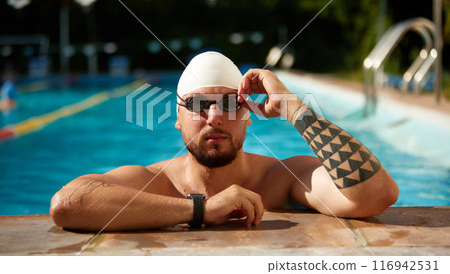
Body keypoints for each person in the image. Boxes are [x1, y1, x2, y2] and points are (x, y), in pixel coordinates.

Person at [50, 51, 398, 231]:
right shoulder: (154, 182)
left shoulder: (283, 178)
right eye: (199, 105)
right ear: (177, 118)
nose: (215, 117)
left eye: (231, 104)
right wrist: (200, 209)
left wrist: (294, 108)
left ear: (248, 114)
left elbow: (374, 195)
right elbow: (67, 204)